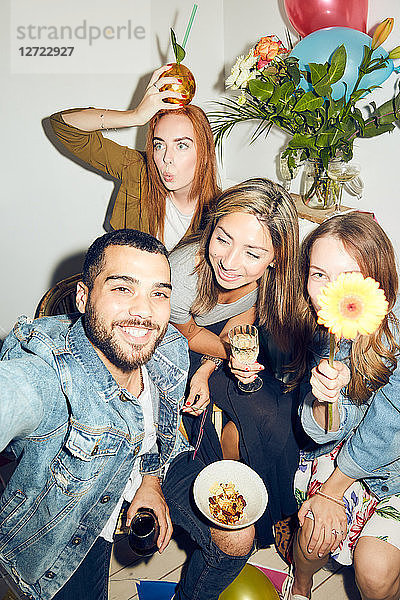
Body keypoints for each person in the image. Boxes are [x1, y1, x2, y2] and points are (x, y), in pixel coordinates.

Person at [0, 229, 255, 600]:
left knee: (237, 536)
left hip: (159, 463)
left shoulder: (168, 344)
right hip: (74, 519)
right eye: (123, 288)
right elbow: (18, 393)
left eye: (159, 293)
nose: (144, 312)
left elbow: (152, 425)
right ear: (84, 298)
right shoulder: (49, 375)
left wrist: (150, 481)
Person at [169, 178, 307, 548]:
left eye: (252, 252)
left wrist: (226, 357)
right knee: (254, 415)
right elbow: (189, 334)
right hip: (179, 343)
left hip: (225, 342)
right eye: (223, 238)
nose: (230, 263)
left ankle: (278, 512)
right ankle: (253, 526)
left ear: (276, 256)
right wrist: (213, 362)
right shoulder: (182, 275)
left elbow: (244, 313)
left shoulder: (279, 280)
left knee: (277, 413)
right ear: (211, 226)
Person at [285, 212, 400, 600]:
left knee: (375, 569)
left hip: (392, 466)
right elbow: (323, 428)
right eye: (318, 275)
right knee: (315, 530)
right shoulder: (327, 329)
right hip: (345, 449)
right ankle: (300, 586)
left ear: (377, 279)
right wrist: (322, 399)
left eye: (347, 277)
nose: (331, 291)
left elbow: (388, 430)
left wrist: (333, 490)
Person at [50, 65, 219, 251]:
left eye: (181, 145)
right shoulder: (138, 171)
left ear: (204, 151)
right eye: (159, 145)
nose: (166, 158)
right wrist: (135, 116)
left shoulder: (222, 211)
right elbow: (63, 126)